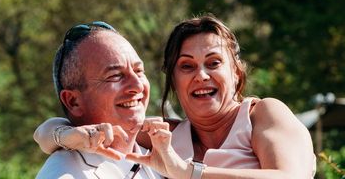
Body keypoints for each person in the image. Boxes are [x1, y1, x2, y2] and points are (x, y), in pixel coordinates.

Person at [35, 14, 316, 179]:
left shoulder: (263, 115)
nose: (201, 75)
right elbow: (77, 127)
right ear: (174, 81)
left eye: (214, 62)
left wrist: (187, 172)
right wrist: (66, 137)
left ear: (237, 73)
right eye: (186, 66)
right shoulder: (166, 136)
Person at [35, 21, 161, 179]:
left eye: (139, 71)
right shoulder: (63, 174)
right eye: (115, 75)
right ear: (73, 101)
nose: (137, 85)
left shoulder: (164, 157)